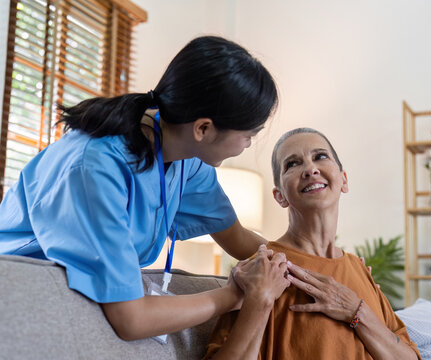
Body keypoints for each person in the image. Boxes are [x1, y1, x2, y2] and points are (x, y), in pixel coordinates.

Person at [0, 36, 288, 341]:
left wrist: (315, 271)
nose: (248, 144)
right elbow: (131, 320)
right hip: (23, 281)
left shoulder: (187, 162)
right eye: (249, 136)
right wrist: (234, 295)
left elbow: (239, 238)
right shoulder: (95, 168)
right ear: (203, 128)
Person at [204, 128, 421, 359]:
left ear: (343, 180)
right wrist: (260, 302)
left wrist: (356, 312)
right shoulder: (258, 273)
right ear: (280, 196)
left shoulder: (359, 270)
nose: (310, 169)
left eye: (320, 156)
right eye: (293, 164)